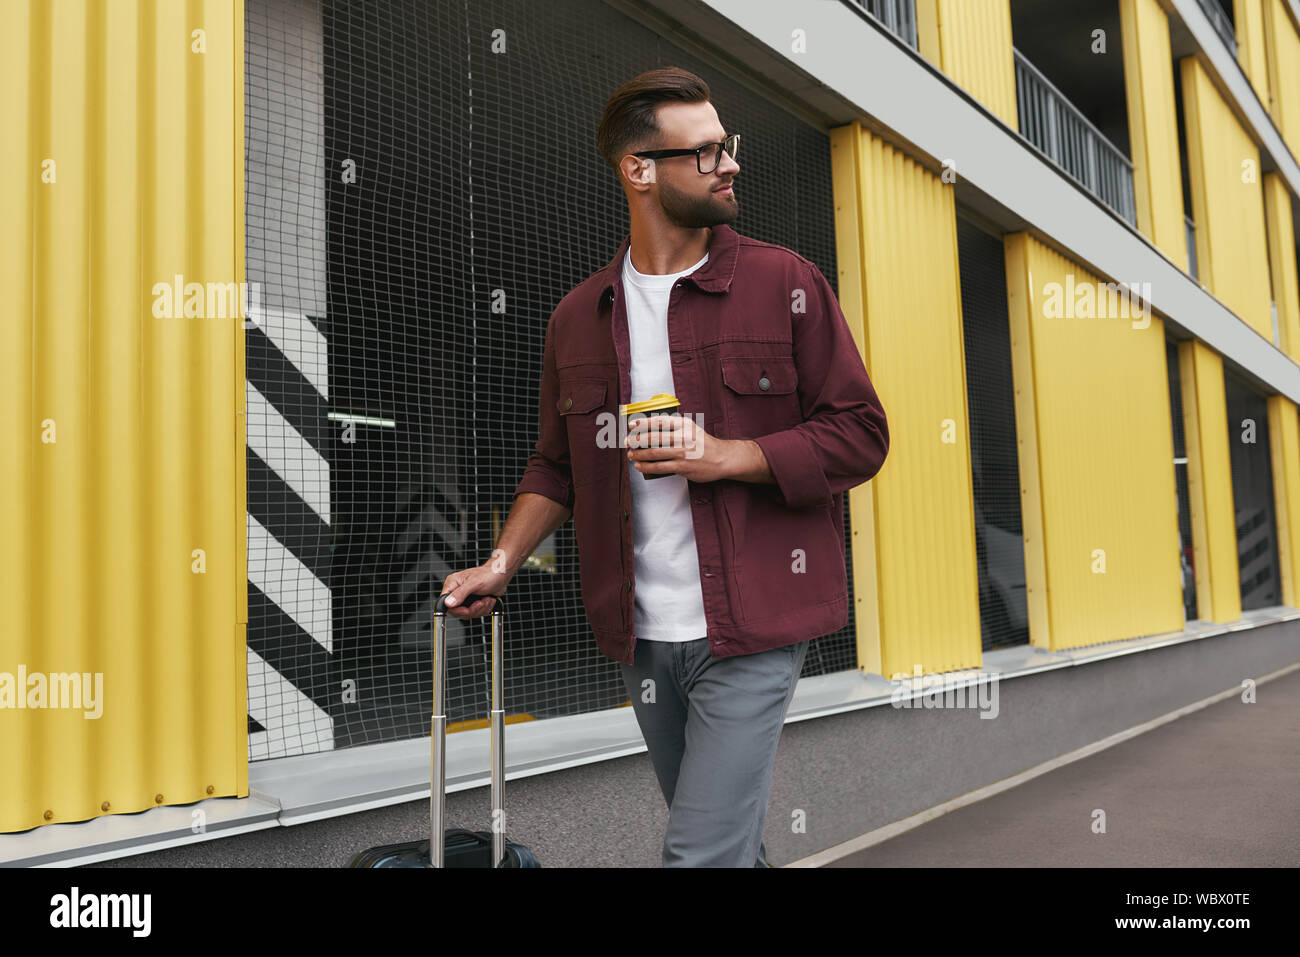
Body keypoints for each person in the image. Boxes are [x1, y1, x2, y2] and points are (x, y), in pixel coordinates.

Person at [440, 66, 889, 867]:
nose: (730, 164)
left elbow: (861, 433)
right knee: (725, 847)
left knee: (697, 854)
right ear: (638, 169)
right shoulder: (579, 317)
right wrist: (502, 562)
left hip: (751, 630)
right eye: (706, 152)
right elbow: (555, 468)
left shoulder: (785, 283)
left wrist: (732, 455)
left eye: (728, 146)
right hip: (645, 638)